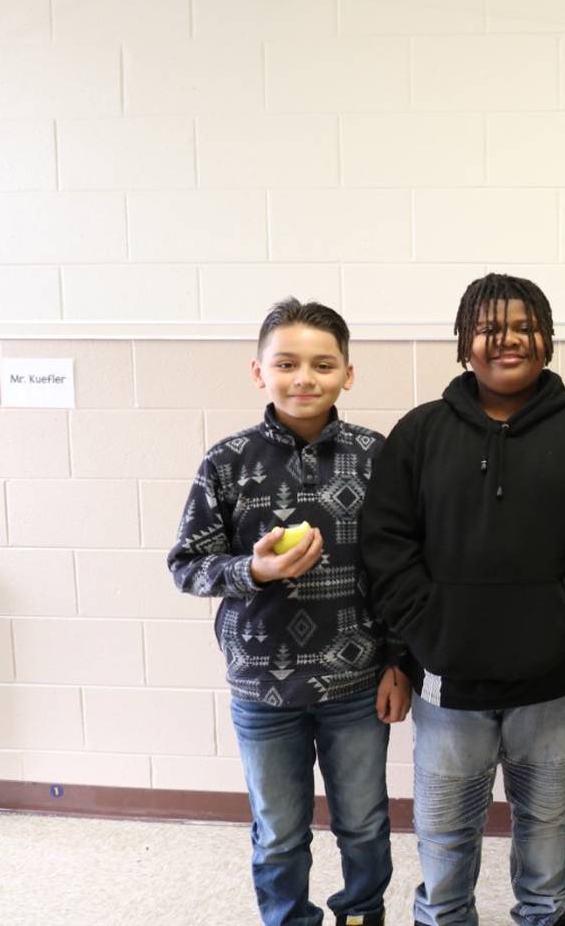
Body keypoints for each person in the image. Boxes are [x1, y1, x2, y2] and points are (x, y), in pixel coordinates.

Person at [360, 274, 565, 926]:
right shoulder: (421, 433)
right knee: (447, 841)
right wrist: (425, 631)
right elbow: (388, 544)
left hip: (553, 682)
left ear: (546, 338)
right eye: (488, 327)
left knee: (545, 833)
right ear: (464, 343)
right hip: (448, 684)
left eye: (522, 325)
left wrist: (563, 618)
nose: (506, 339)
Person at [169, 297, 411, 926]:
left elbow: (401, 570)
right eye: (287, 363)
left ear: (348, 374)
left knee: (363, 822)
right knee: (278, 830)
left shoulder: (375, 456)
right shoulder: (226, 463)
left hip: (357, 684)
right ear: (259, 373)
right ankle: (287, 919)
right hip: (261, 687)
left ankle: (362, 913)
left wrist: (399, 663)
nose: (304, 377)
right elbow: (186, 565)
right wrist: (254, 570)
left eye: (322, 364)